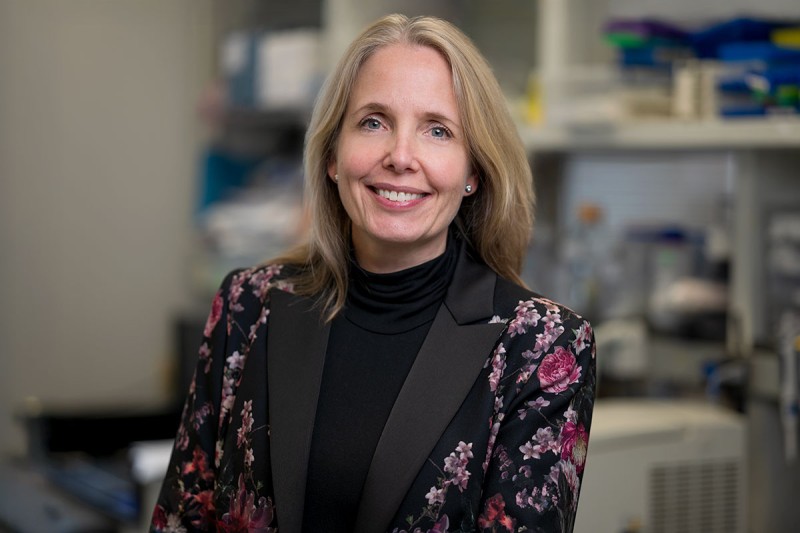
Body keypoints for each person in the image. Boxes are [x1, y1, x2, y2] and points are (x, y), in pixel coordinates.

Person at [151, 13, 595, 533]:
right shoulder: (248, 306)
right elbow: (183, 519)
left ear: (473, 170)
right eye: (373, 122)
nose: (400, 157)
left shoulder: (542, 347)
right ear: (333, 156)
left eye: (437, 130)